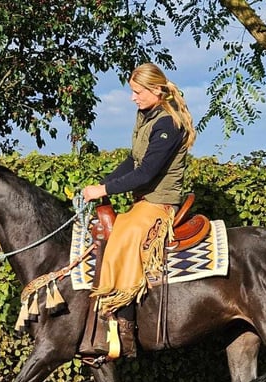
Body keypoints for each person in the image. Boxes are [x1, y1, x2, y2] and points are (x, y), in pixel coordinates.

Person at [79, 62, 196, 363]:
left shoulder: (169, 123)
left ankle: (126, 333)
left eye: (138, 92)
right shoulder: (145, 116)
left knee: (125, 236)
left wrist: (103, 191)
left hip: (160, 203)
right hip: (143, 201)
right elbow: (133, 161)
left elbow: (145, 174)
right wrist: (102, 184)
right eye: (133, 92)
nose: (133, 98)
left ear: (156, 90)